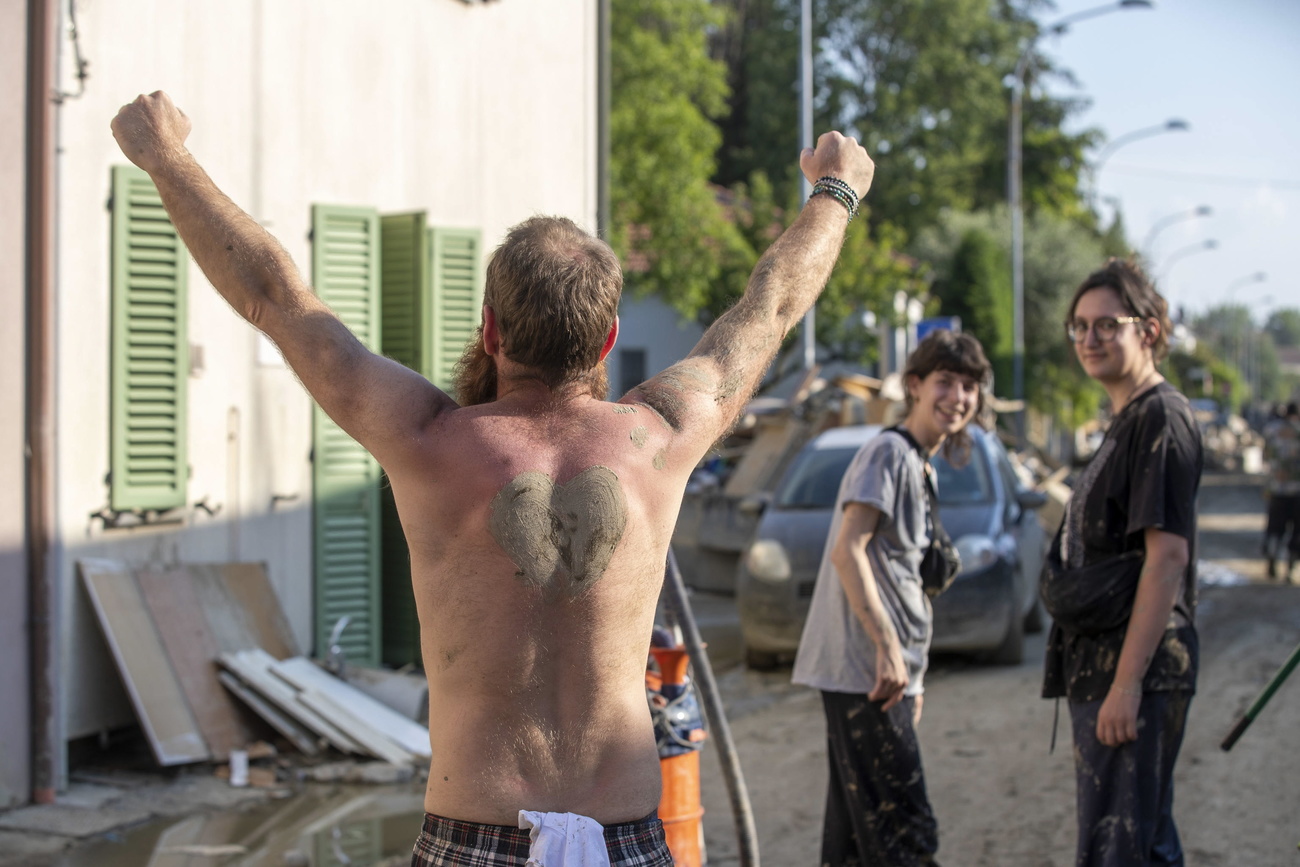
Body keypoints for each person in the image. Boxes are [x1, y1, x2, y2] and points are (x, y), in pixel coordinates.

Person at [110, 91, 875, 866]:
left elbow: (275, 296)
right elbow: (770, 306)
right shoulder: (661, 436)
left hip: (473, 840)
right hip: (627, 839)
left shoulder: (427, 438)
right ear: (609, 336)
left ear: (490, 330)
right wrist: (834, 193)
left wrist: (166, 157)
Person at [792, 329, 992, 867]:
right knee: (907, 834)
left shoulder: (919, 463)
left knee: (855, 839)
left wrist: (913, 673)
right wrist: (887, 650)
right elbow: (847, 550)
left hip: (884, 676)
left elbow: (898, 573)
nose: (958, 397)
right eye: (946, 382)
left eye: (969, 386)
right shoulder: (887, 452)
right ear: (915, 386)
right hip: (868, 672)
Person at [1044, 259, 1202, 867]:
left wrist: (1127, 685)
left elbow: (1167, 560)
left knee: (1123, 850)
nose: (1089, 339)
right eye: (1080, 327)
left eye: (1107, 325)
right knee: (1138, 845)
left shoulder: (1161, 417)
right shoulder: (1127, 420)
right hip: (1106, 668)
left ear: (1150, 330)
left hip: (1134, 670)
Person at [1262, 402, 1300, 581]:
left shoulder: (1271, 430)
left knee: (1275, 527)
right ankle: (1290, 570)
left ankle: (1272, 556)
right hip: (1297, 491)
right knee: (1297, 531)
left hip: (1276, 488)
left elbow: (1265, 456)